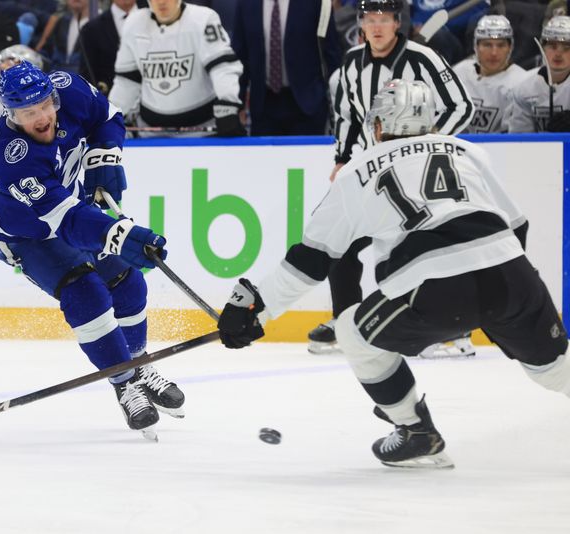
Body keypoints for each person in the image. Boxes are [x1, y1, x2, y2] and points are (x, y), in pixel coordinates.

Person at [217, 79, 570, 468]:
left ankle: (417, 432)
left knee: (352, 331)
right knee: (555, 370)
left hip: (434, 289)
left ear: (380, 126)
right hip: (511, 273)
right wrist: (501, 295)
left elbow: (310, 261)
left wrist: (255, 310)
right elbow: (516, 225)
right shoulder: (468, 150)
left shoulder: (357, 171)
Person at [0, 60, 185, 440]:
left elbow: (106, 117)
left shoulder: (68, 89)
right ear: (11, 114)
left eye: (45, 105)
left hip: (71, 210)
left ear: (53, 95)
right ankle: (124, 383)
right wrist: (120, 234)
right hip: (26, 235)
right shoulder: (12, 159)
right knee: (84, 290)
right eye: (28, 112)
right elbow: (68, 222)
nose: (41, 117)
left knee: (126, 280)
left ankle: (138, 364)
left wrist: (104, 155)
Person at [313, 0, 474, 357]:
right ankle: (347, 323)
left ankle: (454, 328)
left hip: (420, 175)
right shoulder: (353, 61)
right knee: (340, 241)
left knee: (426, 247)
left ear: (397, 23)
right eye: (370, 20)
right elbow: (349, 117)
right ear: (361, 23)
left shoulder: (422, 57)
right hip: (374, 173)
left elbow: (462, 106)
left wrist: (425, 144)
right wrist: (343, 158)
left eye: (384, 20)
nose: (377, 27)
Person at [108, 0, 245, 137]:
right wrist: (108, 116)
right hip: (151, 134)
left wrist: (227, 106)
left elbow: (222, 67)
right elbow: (126, 82)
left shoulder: (203, 19)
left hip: (200, 133)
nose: (161, 2)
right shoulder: (134, 24)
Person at [231, 0, 342, 136]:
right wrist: (237, 104)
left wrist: (340, 103)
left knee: (307, 157)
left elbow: (331, 52)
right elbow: (240, 56)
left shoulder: (316, 2)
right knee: (264, 157)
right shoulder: (246, 4)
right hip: (263, 105)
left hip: (308, 105)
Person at [453, 15, 528, 133]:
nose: (494, 53)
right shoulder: (459, 72)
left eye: (501, 45)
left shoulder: (522, 82)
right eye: (487, 45)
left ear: (510, 47)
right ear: (476, 46)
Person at [509, 15, 570, 133]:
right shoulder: (524, 88)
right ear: (543, 47)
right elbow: (520, 139)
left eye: (566, 48)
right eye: (553, 46)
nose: (558, 53)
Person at [79, 0, 137, 94]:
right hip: (109, 102)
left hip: (152, 101)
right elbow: (87, 78)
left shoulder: (155, 21)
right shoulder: (91, 30)